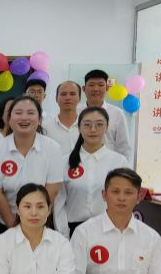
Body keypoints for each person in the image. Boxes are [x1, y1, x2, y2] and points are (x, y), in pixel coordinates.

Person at [0, 96, 64, 257]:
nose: (24, 117)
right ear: (9, 119)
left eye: (30, 113)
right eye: (18, 113)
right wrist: (13, 226)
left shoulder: (52, 148)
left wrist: (33, 221)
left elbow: (52, 190)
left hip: (39, 220)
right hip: (1, 221)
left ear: (39, 119)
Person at [56, 107, 129, 237]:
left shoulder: (119, 161)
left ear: (107, 128)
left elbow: (124, 201)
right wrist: (63, 235)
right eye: (87, 125)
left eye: (99, 124)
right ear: (79, 128)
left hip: (109, 231)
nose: (93, 130)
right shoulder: (64, 162)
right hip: (73, 231)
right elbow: (59, 203)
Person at [82, 69, 133, 161]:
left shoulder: (117, 113)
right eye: (91, 85)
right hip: (80, 164)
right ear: (84, 89)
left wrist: (121, 168)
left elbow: (124, 147)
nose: (96, 89)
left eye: (100, 85)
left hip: (109, 165)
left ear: (107, 88)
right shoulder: (75, 112)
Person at [43, 81, 82, 154]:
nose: (68, 97)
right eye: (63, 94)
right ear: (56, 98)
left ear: (79, 98)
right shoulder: (45, 127)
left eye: (72, 94)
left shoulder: (87, 125)